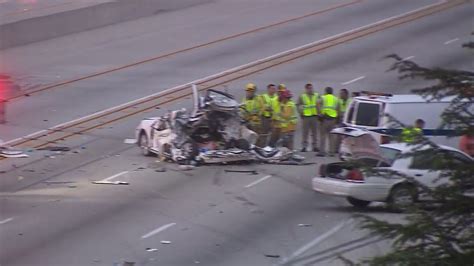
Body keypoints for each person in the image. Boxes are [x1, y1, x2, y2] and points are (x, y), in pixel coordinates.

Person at [317, 87, 339, 156]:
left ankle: (322, 151)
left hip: (325, 118)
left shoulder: (324, 97)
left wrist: (319, 113)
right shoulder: (336, 99)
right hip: (333, 119)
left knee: (323, 135)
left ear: (326, 91)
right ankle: (331, 152)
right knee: (331, 136)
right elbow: (338, 109)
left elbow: (317, 103)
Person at [297, 83, 319, 152]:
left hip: (314, 116)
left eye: (311, 88)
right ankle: (304, 146)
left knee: (315, 132)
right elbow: (298, 105)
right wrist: (301, 113)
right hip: (306, 117)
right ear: (306, 89)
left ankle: (315, 146)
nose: (311, 90)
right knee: (305, 132)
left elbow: (320, 104)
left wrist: (319, 113)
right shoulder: (302, 96)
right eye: (309, 88)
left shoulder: (316, 95)